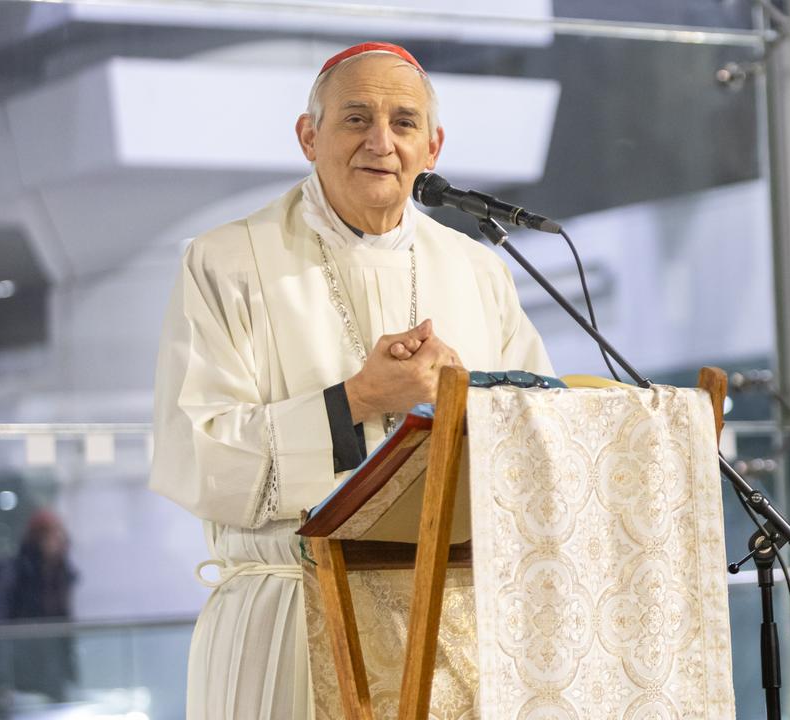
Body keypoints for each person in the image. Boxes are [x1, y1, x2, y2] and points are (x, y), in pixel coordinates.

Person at [149, 41, 552, 719]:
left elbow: (535, 443)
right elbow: (197, 454)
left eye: (403, 122)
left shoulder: (479, 272)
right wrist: (358, 401)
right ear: (309, 136)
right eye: (355, 118)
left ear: (434, 145)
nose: (381, 142)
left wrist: (467, 401)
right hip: (288, 618)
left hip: (452, 626)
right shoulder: (227, 263)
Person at [0, 509, 79, 717]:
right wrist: (1, 680)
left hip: (54, 675)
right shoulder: (15, 573)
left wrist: (70, 672)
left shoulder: (60, 574)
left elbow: (65, 627)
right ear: (40, 537)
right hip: (22, 678)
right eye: (53, 534)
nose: (58, 541)